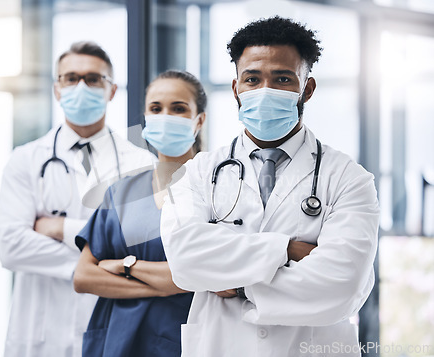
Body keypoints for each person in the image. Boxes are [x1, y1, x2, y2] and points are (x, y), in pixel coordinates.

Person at [160, 16, 380, 356]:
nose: (265, 90)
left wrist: (236, 285)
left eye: (282, 79)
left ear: (307, 88)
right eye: (252, 79)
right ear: (236, 88)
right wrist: (287, 249)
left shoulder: (350, 179)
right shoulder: (199, 172)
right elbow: (184, 261)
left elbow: (340, 286)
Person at [0, 41, 155, 357]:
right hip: (40, 334)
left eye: (93, 79)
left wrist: (62, 229)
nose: (81, 86)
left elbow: (140, 248)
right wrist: (94, 267)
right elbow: (11, 246)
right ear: (57, 88)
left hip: (112, 328)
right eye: (71, 78)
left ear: (112, 90)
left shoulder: (142, 164)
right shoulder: (25, 159)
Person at [73, 69, 206, 357]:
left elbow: (210, 277)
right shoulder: (121, 192)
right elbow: (83, 277)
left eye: (179, 108)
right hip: (116, 341)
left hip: (181, 341)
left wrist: (125, 266)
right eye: (156, 109)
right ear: (145, 117)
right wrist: (165, 286)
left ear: (199, 120)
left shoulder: (216, 189)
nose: (165, 116)